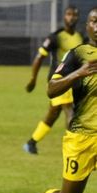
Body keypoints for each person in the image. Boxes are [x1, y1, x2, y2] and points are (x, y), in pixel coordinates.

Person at [9, 7, 97, 193]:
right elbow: (51, 89)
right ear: (87, 26)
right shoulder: (77, 54)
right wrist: (77, 74)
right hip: (81, 138)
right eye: (94, 22)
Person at [23, 5, 83, 154]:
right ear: (64, 17)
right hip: (60, 79)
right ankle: (74, 146)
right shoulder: (55, 37)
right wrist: (33, 79)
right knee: (70, 111)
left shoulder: (80, 37)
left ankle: (31, 143)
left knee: (53, 113)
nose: (71, 17)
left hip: (73, 81)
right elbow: (39, 57)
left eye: (74, 15)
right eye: (69, 14)